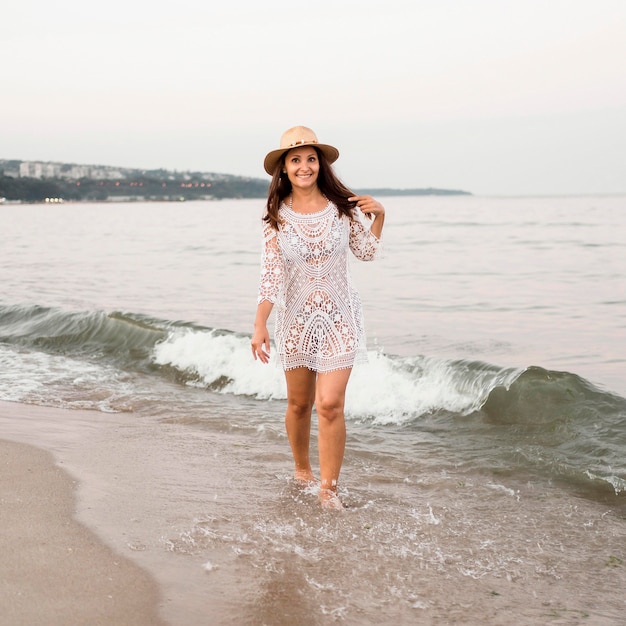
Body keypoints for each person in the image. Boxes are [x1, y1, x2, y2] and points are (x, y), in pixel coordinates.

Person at [251, 126, 385, 509]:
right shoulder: (276, 218)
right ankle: (301, 469)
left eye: (311, 158)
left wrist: (379, 217)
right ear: (284, 169)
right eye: (296, 160)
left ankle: (329, 490)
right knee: (299, 405)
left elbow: (367, 252)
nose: (304, 166)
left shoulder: (341, 208)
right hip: (296, 319)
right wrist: (260, 324)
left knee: (329, 405)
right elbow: (271, 275)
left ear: (319, 164)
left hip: (340, 318)